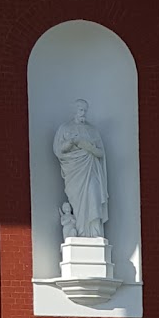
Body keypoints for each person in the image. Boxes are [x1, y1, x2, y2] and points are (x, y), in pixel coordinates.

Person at [53, 99, 108, 239]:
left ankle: (95, 233)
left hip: (91, 170)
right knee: (77, 203)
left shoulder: (92, 130)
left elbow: (101, 153)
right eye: (80, 110)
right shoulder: (65, 128)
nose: (83, 113)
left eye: (85, 110)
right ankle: (80, 233)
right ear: (74, 111)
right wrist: (71, 142)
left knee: (94, 195)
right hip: (74, 173)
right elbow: (59, 151)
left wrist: (87, 146)